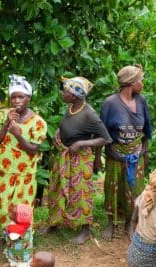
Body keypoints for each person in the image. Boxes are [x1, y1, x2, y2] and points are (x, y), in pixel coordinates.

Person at [45, 76, 111, 245]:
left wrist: (81, 143)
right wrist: (59, 131)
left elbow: (105, 138)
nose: (63, 93)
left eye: (66, 91)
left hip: (80, 158)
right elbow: (67, 124)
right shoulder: (72, 107)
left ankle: (85, 229)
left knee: (81, 193)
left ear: (75, 95)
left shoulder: (89, 114)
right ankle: (55, 223)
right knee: (57, 189)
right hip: (65, 155)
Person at [99, 65, 152, 239]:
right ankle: (111, 223)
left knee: (134, 191)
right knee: (112, 189)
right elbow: (102, 132)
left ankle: (130, 223)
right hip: (116, 153)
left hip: (136, 155)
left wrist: (144, 152)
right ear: (130, 83)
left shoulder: (141, 101)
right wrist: (98, 157)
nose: (142, 83)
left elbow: (147, 131)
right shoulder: (110, 103)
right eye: (140, 80)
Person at [0, 75, 47, 226]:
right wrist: (7, 123)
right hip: (5, 171)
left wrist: (18, 134)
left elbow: (32, 150)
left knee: (23, 208)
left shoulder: (38, 122)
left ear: (28, 97)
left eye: (20, 97)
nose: (16, 101)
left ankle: (22, 240)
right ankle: (8, 235)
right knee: (5, 207)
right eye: (13, 97)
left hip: (25, 173)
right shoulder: (1, 115)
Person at [3, 203, 34, 267]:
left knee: (18, 261)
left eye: (12, 213)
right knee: (25, 260)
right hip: (27, 251)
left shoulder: (16, 229)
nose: (9, 213)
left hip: (18, 251)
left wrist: (7, 230)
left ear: (18, 218)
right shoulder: (26, 224)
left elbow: (13, 237)